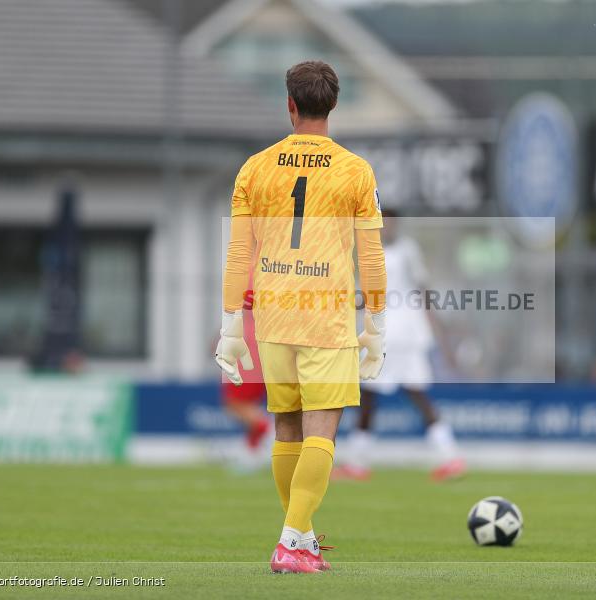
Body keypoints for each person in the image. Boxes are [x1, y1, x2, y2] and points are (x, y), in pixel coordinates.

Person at [215, 61, 387, 574]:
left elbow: (238, 255)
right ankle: (291, 541)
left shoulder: (255, 168)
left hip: (272, 317)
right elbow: (371, 256)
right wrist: (375, 326)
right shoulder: (356, 170)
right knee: (321, 433)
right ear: (332, 105)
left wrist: (230, 328)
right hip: (324, 317)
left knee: (286, 429)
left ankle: (302, 539)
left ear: (289, 105)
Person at [333, 209, 465, 482]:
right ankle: (449, 455)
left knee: (372, 395)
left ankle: (357, 463)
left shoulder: (397, 253)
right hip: (398, 334)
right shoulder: (387, 251)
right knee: (405, 394)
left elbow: (417, 293)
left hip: (395, 334)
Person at [220, 289, 270, 458]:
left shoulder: (252, 271)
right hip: (258, 354)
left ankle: (264, 436)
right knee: (241, 404)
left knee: (236, 403)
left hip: (249, 357)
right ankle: (252, 448)